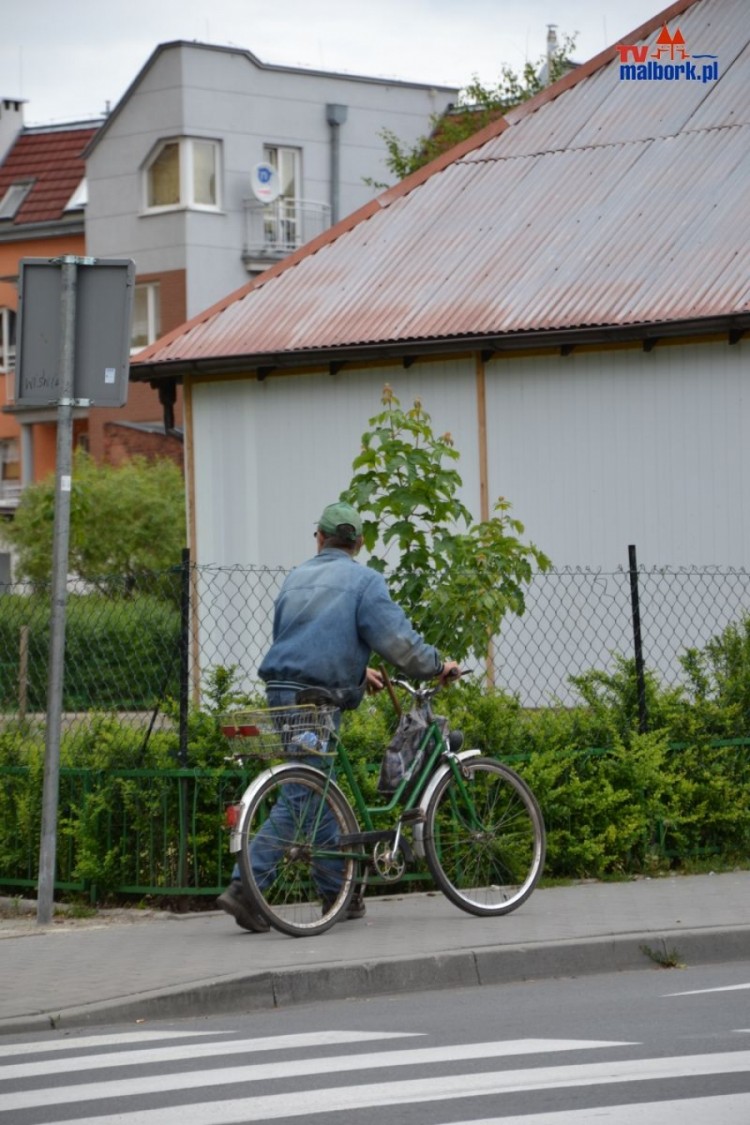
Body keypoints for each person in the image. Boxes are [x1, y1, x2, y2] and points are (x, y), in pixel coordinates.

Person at [217, 500, 459, 932]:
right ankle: (245, 888)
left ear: (319, 538)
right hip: (316, 700)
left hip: (283, 691)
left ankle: (338, 892)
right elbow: (398, 643)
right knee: (303, 793)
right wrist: (437, 665)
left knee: (318, 788)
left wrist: (355, 670)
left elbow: (299, 639)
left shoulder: (295, 579)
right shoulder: (365, 581)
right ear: (359, 543)